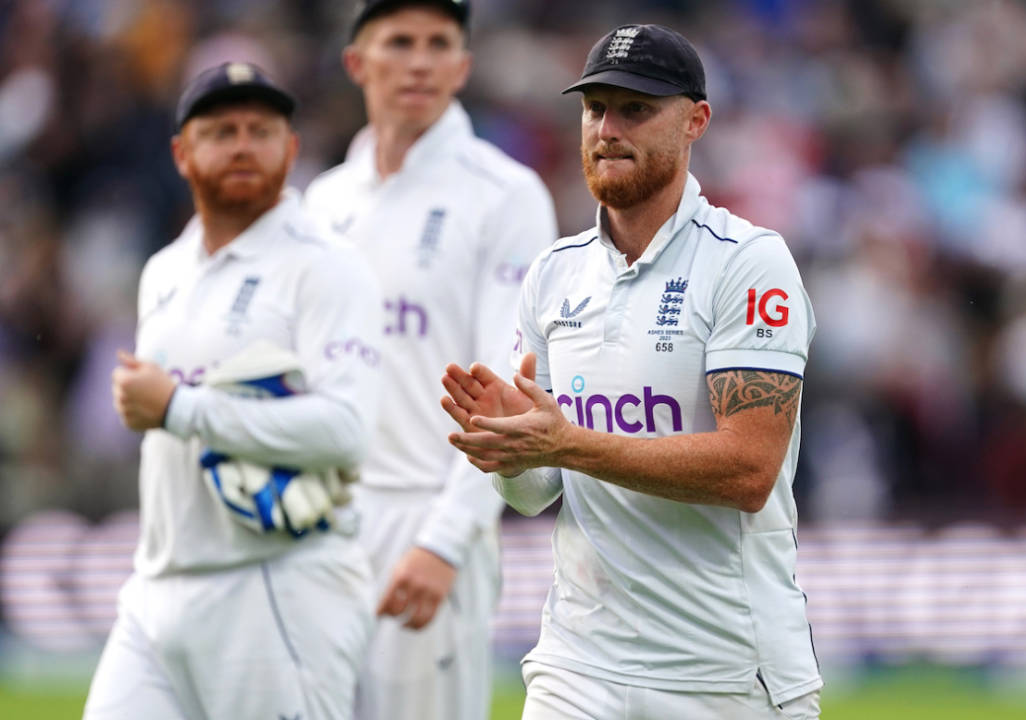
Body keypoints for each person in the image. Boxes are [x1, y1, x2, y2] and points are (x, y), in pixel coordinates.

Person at [441, 23, 822, 719]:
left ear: (696, 121)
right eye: (595, 109)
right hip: (579, 664)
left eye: (636, 109)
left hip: (725, 672)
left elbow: (748, 471)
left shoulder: (747, 263)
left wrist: (566, 443)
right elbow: (535, 495)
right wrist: (509, 449)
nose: (608, 129)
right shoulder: (554, 274)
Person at [85, 62, 383, 719]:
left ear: (292, 148)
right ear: (181, 154)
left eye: (261, 129)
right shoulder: (164, 271)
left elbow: (348, 430)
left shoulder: (328, 266)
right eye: (222, 131)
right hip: (157, 589)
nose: (244, 144)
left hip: (277, 587)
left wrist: (180, 407)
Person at [304, 1, 557, 718]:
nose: (420, 61)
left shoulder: (504, 194)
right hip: (321, 532)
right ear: (357, 62)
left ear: (463, 66)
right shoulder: (323, 203)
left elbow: (504, 387)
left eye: (439, 43)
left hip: (427, 518)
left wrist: (446, 540)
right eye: (400, 42)